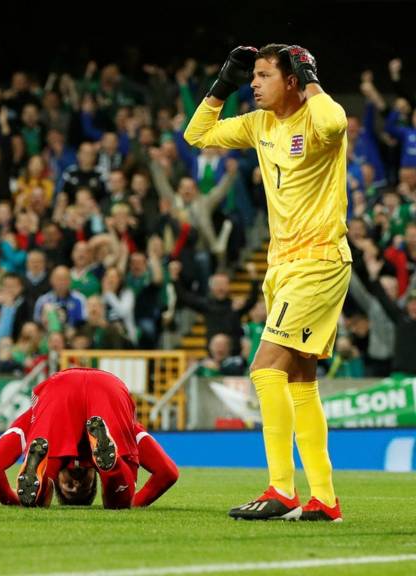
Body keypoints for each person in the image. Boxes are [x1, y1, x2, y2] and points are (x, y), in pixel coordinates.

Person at [185, 44, 349, 522]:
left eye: (262, 75)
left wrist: (312, 77)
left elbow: (337, 124)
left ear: (292, 80)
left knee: (264, 368)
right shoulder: (260, 124)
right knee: (300, 381)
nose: (253, 84)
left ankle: (281, 488)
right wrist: (223, 83)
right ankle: (325, 499)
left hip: (317, 261)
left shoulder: (318, 123)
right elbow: (197, 134)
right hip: (282, 266)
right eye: (251, 75)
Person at [0, 368, 178, 509]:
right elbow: (168, 472)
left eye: (69, 486)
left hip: (67, 388)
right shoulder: (125, 429)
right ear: (95, 478)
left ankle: (40, 484)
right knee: (119, 503)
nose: (76, 481)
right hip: (105, 388)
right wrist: (133, 504)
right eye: (84, 486)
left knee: (41, 484)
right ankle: (113, 465)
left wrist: (13, 501)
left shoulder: (34, 423)